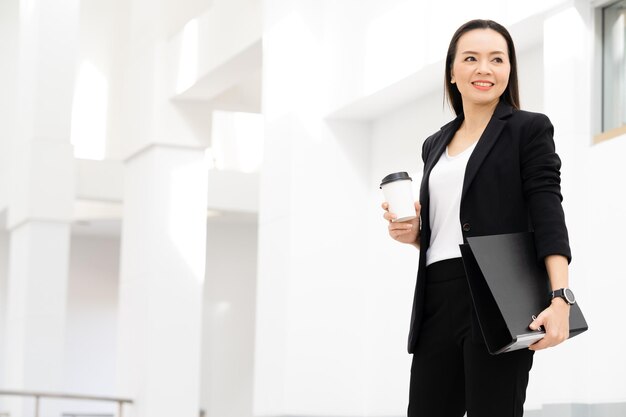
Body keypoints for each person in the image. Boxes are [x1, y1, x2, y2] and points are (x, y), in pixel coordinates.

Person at [381, 19, 574, 417]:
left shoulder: (528, 129)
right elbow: (447, 227)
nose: (484, 69)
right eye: (471, 58)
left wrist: (560, 297)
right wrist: (416, 234)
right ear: (452, 72)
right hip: (437, 296)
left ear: (509, 70)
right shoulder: (434, 144)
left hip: (498, 294)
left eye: (496, 59)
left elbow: (548, 210)